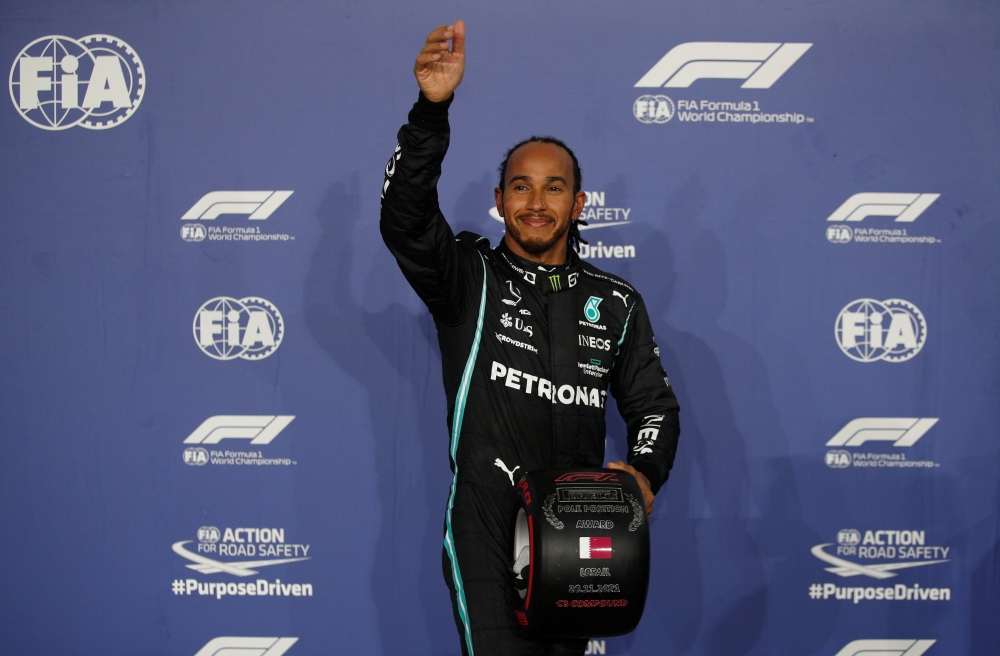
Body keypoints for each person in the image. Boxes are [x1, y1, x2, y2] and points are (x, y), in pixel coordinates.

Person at [380, 20, 680, 656]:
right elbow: (405, 220)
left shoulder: (617, 303)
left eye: (553, 187)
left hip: (582, 534)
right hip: (487, 527)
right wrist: (430, 110)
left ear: (578, 203)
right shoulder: (468, 276)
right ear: (499, 200)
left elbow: (653, 407)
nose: (536, 201)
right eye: (521, 186)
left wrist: (646, 473)